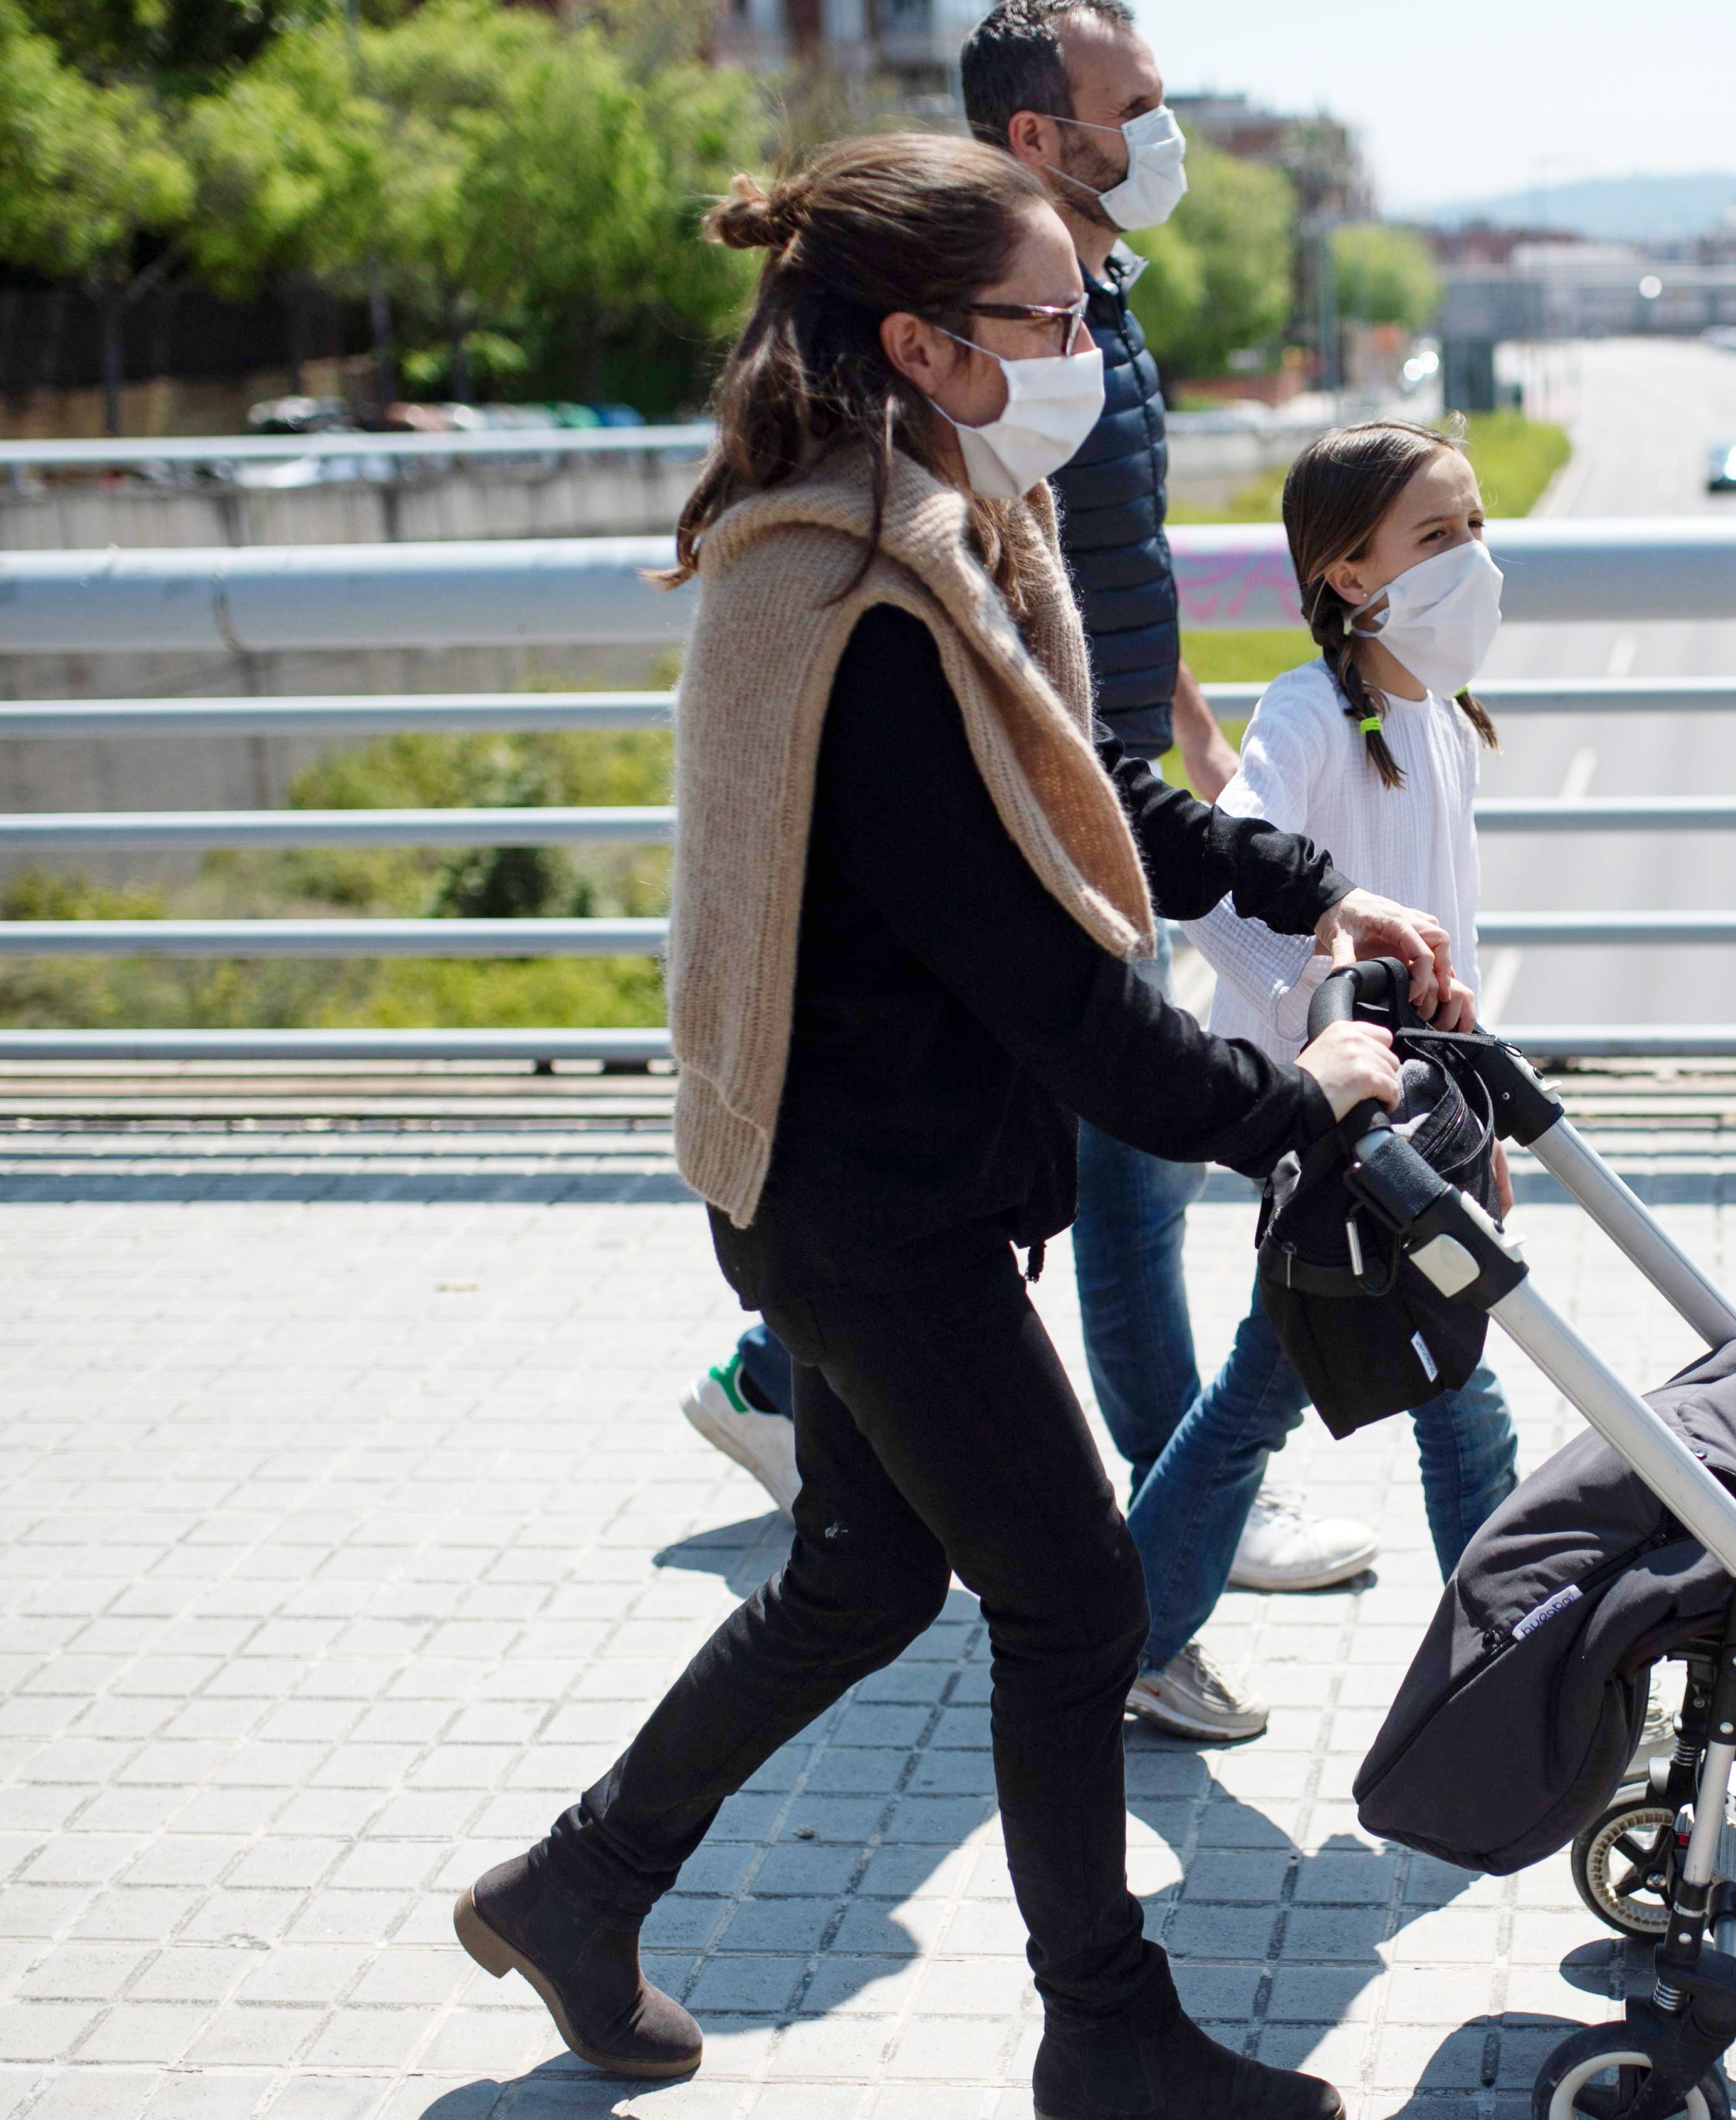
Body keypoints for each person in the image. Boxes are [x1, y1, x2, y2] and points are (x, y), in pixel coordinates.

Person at [456, 134, 1457, 2119]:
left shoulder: (912, 519)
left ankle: (576, 1886)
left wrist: (1295, 886)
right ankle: (1106, 2035)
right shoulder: (865, 601)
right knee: (1074, 1598)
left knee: (860, 1574)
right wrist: (1301, 1102)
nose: (1087, 342)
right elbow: (1061, 996)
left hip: (844, 1184)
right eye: (1052, 314)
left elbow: (1077, 801)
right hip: (868, 1206)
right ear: (921, 339)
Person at [677, 0, 1380, 1601]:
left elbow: (1100, 594)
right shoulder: (887, 544)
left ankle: (798, 1387)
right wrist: (1292, 1105)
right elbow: (1025, 947)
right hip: (1017, 874)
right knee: (1117, 1190)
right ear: (1034, 142)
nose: (1166, 129)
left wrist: (1209, 771)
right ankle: (1170, 1505)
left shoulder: (1054, 352)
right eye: (1134, 102)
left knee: (857, 1586)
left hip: (1090, 784)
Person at [1121, 421, 1528, 1741]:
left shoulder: (1440, 719)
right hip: (1347, 1137)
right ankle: (1511, 1673)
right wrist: (1321, 1035)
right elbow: (1218, 895)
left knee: (1266, 1391)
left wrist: (1478, 1117)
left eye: (1475, 527)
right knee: (1455, 1403)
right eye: (1437, 535)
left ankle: (1127, 1640)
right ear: (1349, 572)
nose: (1472, 558)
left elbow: (1448, 933)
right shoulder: (1306, 714)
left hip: (1410, 1132)